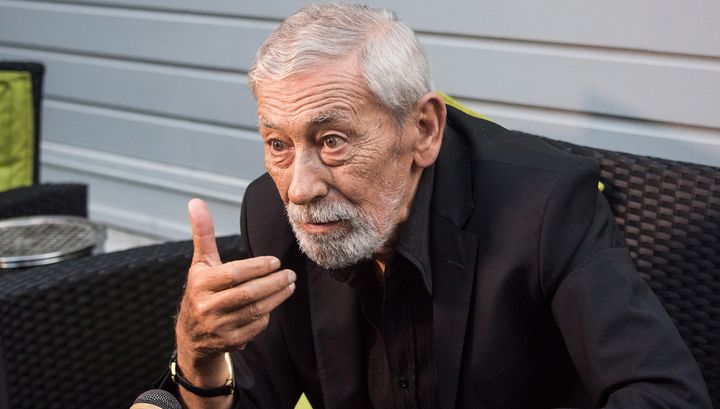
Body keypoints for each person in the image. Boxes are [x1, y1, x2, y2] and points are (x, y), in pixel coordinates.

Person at [158, 3, 712, 408]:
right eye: (278, 143)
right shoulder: (270, 214)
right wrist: (197, 357)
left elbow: (665, 396)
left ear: (423, 129)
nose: (299, 189)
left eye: (332, 141)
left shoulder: (544, 206)